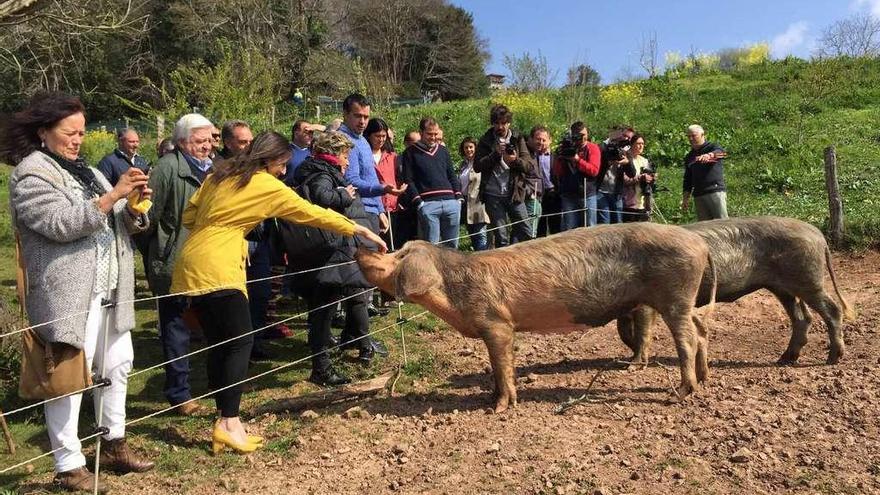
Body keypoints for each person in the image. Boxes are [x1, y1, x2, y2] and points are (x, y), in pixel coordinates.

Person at [171, 131, 386, 453]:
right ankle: (229, 422)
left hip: (190, 260)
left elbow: (188, 216)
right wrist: (356, 227)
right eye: (282, 164)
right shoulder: (265, 184)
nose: (284, 171)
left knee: (220, 343)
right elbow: (309, 212)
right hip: (219, 266)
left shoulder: (219, 175)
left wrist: (230, 226)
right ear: (270, 159)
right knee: (240, 342)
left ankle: (225, 420)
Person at [1, 92, 155, 492]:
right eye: (69, 133)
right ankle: (69, 464)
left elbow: (119, 221)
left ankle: (114, 440)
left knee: (119, 364)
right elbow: (60, 223)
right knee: (68, 380)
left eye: (82, 133)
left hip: (109, 288)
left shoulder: (87, 170)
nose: (77, 140)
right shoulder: (31, 174)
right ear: (43, 132)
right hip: (67, 295)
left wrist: (136, 209)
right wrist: (113, 196)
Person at [291, 132, 389, 384]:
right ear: (333, 154)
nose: (347, 161)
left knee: (329, 306)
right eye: (345, 155)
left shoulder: (323, 171)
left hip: (337, 250)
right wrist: (344, 194)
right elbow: (323, 199)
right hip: (329, 253)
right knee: (323, 310)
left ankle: (344, 348)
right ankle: (321, 368)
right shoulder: (321, 174)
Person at [146, 113, 215, 416]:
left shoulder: (214, 169)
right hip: (174, 261)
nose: (206, 147)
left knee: (213, 321)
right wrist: (161, 252)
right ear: (183, 142)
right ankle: (179, 393)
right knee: (176, 327)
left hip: (209, 259)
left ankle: (216, 381)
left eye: (209, 140)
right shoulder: (165, 170)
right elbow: (145, 220)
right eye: (199, 142)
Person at [339, 93, 404, 327]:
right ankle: (359, 333)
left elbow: (369, 175)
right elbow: (353, 180)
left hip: (371, 211)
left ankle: (355, 330)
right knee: (360, 272)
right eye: (357, 116)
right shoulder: (343, 140)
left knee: (369, 271)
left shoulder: (363, 141)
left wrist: (379, 210)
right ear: (345, 114)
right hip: (355, 212)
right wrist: (381, 189)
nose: (363, 121)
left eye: (366, 116)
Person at [473, 104, 536, 247]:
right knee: (501, 237)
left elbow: (529, 166)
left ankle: (524, 260)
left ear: (509, 123)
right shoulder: (486, 140)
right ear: (492, 123)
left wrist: (515, 160)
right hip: (493, 195)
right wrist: (495, 154)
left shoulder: (518, 138)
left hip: (515, 193)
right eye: (497, 123)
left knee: (526, 230)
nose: (500, 127)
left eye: (503, 123)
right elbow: (477, 166)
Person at [401, 118, 462, 248]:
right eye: (429, 134)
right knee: (431, 248)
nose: (433, 137)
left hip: (451, 202)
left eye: (435, 134)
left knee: (453, 248)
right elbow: (408, 180)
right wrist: (419, 203)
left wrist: (458, 197)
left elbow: (451, 174)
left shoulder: (443, 151)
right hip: (428, 205)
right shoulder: (410, 153)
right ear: (421, 132)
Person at [366, 118, 407, 250]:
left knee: (392, 245)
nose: (381, 139)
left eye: (384, 136)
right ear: (369, 135)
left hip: (392, 207)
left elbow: (399, 178)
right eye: (377, 136)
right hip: (372, 207)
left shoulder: (392, 156)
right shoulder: (364, 155)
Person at [553, 121, 601, 230]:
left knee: (589, 228)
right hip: (568, 194)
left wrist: (577, 160)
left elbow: (594, 170)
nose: (583, 138)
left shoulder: (593, 148)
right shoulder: (566, 147)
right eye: (579, 135)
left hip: (587, 194)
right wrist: (560, 157)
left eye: (584, 135)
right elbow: (557, 172)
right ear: (573, 135)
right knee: (569, 229)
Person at [682, 124, 728, 220]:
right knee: (704, 227)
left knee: (722, 224)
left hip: (715, 191)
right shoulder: (689, 156)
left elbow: (722, 153)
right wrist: (685, 198)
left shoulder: (712, 146)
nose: (691, 139)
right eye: (688, 136)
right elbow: (687, 179)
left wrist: (710, 155)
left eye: (694, 135)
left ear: (703, 135)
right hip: (698, 195)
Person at [596, 126, 635, 224]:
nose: (626, 139)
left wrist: (627, 162)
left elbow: (632, 173)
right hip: (601, 191)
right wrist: (608, 161)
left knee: (618, 222)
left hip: (616, 192)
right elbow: (596, 169)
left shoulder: (626, 151)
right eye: (624, 136)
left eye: (629, 138)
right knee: (604, 222)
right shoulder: (602, 147)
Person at [458, 137, 490, 250]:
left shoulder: (481, 163)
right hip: (466, 205)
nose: (468, 150)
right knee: (473, 236)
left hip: (479, 202)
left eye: (471, 147)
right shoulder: (463, 165)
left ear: (476, 148)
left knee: (481, 235)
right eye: (466, 147)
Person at [527, 125, 559, 237]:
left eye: (544, 140)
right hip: (537, 195)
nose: (541, 142)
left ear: (550, 140)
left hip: (553, 194)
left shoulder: (557, 157)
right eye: (538, 139)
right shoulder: (530, 156)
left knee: (555, 226)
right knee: (539, 227)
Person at [621, 133, 655, 222]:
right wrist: (640, 178)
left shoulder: (645, 161)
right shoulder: (626, 159)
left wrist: (651, 178)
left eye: (642, 144)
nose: (641, 146)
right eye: (638, 144)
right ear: (632, 145)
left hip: (643, 202)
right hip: (629, 202)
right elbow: (625, 180)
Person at [283, 120, 325, 184]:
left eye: (312, 132)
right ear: (296, 134)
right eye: (307, 131)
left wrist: (323, 128)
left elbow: (335, 139)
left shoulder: (314, 151)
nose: (310, 135)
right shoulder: (285, 151)